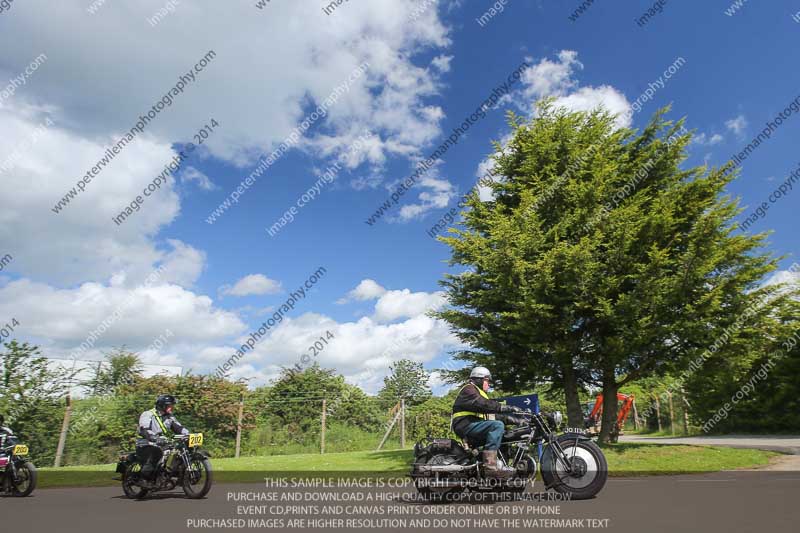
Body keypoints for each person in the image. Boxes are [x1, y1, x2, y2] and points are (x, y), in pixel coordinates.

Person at [451, 366, 524, 479]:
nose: (488, 384)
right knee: (497, 426)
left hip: (473, 424)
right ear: (479, 379)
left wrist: (514, 420)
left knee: (504, 432)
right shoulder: (469, 389)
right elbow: (484, 404)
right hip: (464, 424)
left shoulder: (479, 392)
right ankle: (490, 466)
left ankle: (502, 467)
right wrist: (507, 408)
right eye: (487, 380)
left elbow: (492, 415)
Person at [136, 394, 189, 487]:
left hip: (161, 442)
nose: (171, 407)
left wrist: (189, 435)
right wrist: (154, 438)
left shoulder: (169, 417)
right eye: (169, 405)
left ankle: (176, 476)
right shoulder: (148, 414)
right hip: (145, 443)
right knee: (156, 453)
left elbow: (179, 428)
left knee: (177, 453)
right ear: (162, 405)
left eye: (172, 405)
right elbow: (144, 430)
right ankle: (143, 478)